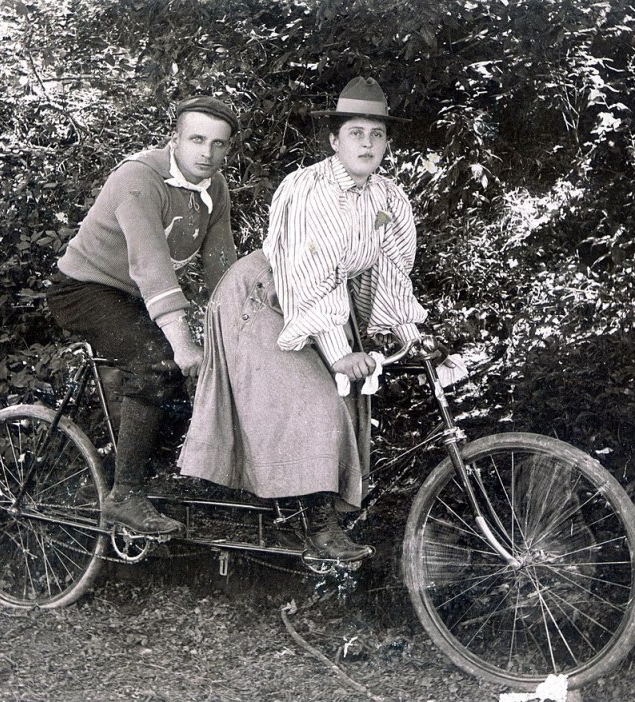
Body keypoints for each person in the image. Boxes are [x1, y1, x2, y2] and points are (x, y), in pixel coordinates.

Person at [178, 77, 427, 561]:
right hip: (263, 299)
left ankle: (313, 510)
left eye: (377, 135)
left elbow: (391, 268)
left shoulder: (389, 198)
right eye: (356, 133)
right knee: (318, 400)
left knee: (351, 399)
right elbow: (307, 277)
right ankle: (317, 528)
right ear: (334, 140)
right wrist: (338, 353)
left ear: (386, 144)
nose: (367, 144)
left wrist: (409, 333)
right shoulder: (308, 189)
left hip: (322, 302)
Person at [46, 96, 239, 535]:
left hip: (136, 297)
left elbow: (222, 269)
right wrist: (184, 344)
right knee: (160, 361)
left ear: (228, 149)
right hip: (84, 288)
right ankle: (124, 495)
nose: (207, 153)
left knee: (195, 372)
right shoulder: (139, 177)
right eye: (197, 140)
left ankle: (150, 471)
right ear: (175, 139)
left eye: (218, 144)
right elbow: (151, 266)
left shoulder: (216, 190)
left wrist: (239, 331)